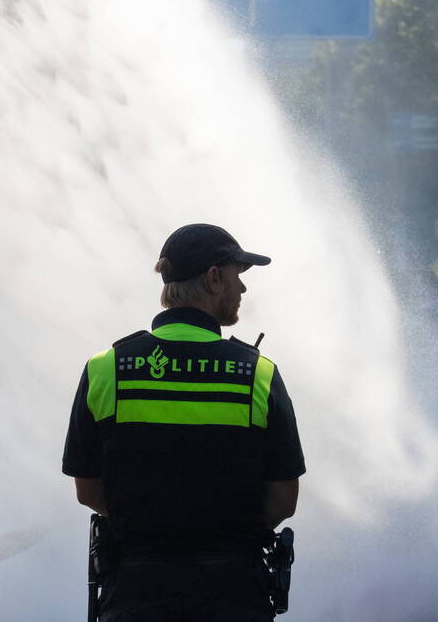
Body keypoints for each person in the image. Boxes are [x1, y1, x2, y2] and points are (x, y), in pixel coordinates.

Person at [62, 223, 306, 622]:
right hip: (234, 594)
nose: (242, 289)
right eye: (236, 277)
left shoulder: (107, 369)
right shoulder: (257, 374)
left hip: (134, 594)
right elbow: (283, 499)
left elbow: (88, 491)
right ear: (213, 279)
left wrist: (148, 524)